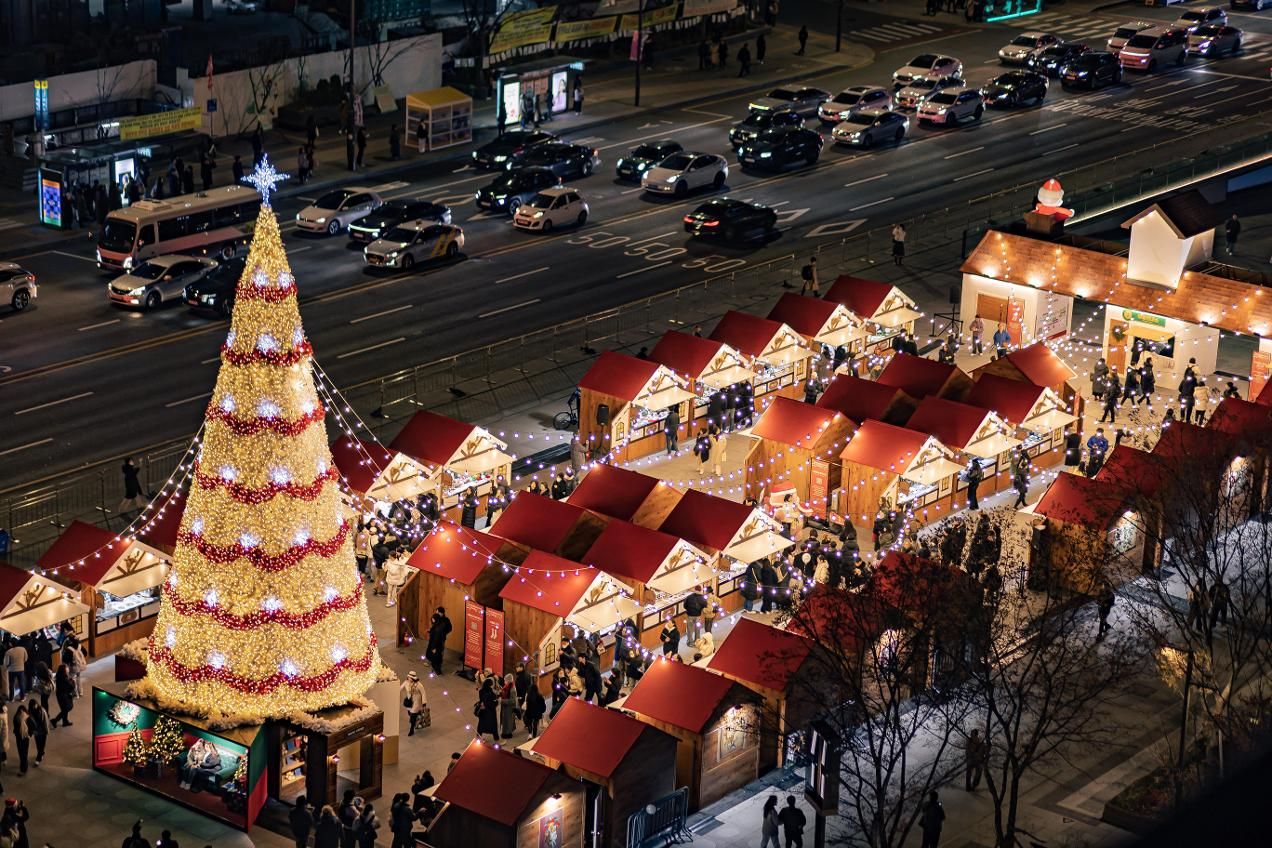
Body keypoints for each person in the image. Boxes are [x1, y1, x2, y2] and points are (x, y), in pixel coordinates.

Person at [401, 670, 428, 736]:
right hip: (409, 701)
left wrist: (424, 702)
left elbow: (423, 693)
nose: (409, 678)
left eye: (410, 677)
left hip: (416, 702)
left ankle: (412, 729)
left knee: (412, 715)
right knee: (409, 713)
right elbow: (400, 688)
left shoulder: (419, 685)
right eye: (408, 677)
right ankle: (416, 715)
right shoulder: (406, 683)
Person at [427, 606, 452, 675]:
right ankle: (433, 662)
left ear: (442, 613)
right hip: (434, 639)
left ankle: (438, 665)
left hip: (440, 639)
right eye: (436, 612)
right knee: (433, 651)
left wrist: (443, 633)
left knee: (440, 652)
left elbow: (449, 628)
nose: (437, 613)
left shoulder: (445, 620)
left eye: (438, 612)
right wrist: (431, 630)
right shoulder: (437, 619)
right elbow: (434, 627)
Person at [476, 676, 499, 742]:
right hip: (490, 712)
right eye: (491, 685)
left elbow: (481, 700)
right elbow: (493, 703)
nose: (492, 686)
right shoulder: (491, 693)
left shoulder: (481, 691)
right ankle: (496, 738)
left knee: (481, 725)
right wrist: (497, 702)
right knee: (493, 726)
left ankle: (478, 736)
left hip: (483, 712)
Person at [27, 698, 49, 765]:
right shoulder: (31, 711)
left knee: (41, 744)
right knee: (39, 744)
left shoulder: (41, 710)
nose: (34, 707)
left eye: (34, 705)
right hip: (37, 731)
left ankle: (39, 757)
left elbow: (43, 722)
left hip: (42, 730)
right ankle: (41, 753)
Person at [499, 673, 518, 739]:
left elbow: (513, 701)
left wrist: (502, 701)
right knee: (506, 721)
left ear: (508, 681)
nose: (504, 682)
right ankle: (506, 733)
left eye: (505, 680)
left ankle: (507, 734)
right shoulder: (508, 687)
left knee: (508, 722)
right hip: (506, 708)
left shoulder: (512, 689)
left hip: (509, 709)